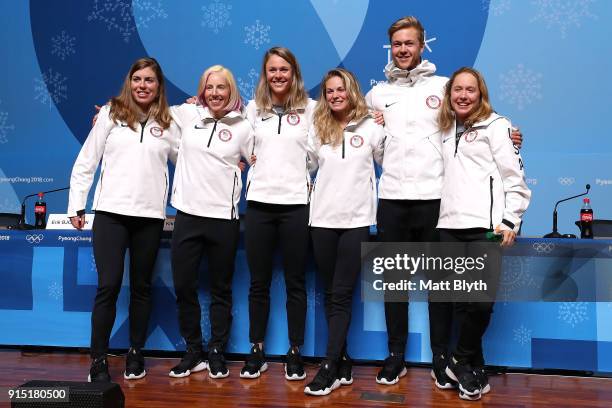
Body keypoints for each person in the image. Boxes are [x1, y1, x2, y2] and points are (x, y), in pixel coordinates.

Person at [365, 16, 523, 386]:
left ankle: (442, 357)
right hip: (392, 198)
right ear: (392, 49)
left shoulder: (444, 87)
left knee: (442, 287)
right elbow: (371, 144)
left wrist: (512, 134)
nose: (403, 50)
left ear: (422, 46)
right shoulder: (377, 95)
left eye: (410, 43)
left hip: (437, 200)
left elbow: (479, 120)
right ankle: (395, 356)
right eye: (397, 45)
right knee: (394, 283)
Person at [67, 57, 179, 382]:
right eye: (137, 79)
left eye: (150, 80)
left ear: (159, 86)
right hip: (111, 215)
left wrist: (230, 162)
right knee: (109, 286)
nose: (143, 85)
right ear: (129, 83)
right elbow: (86, 161)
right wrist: (77, 205)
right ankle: (98, 361)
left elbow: (193, 156)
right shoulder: (109, 114)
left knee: (142, 288)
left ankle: (135, 354)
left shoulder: (170, 123)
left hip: (149, 218)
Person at [435, 67, 531, 401]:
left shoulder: (498, 126)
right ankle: (474, 371)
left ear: (481, 94)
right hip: (449, 227)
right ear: (449, 95)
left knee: (480, 303)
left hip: (486, 230)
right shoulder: (445, 129)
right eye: (457, 89)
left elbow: (514, 178)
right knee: (461, 304)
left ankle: (458, 359)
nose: (463, 95)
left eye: (470, 90)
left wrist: (510, 220)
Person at [168, 65, 253, 379]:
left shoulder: (245, 127)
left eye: (222, 88)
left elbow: (261, 157)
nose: (215, 93)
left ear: (231, 91)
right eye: (210, 87)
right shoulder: (187, 115)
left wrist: (245, 166)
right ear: (201, 91)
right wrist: (110, 112)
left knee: (221, 289)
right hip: (188, 215)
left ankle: (217, 350)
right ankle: (193, 351)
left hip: (223, 219)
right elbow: (146, 109)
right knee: (184, 286)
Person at [302, 69, 384, 396]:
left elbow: (391, 163)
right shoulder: (317, 128)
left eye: (341, 90)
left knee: (341, 293)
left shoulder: (373, 127)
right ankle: (343, 361)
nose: (336, 95)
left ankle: (327, 367)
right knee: (331, 293)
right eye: (330, 91)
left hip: (356, 221)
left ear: (352, 91)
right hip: (322, 220)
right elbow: (303, 166)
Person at [240, 47, 316, 380]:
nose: (278, 75)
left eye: (284, 69)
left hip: (296, 205)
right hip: (259, 205)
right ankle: (256, 349)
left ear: (294, 72)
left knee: (295, 282)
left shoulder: (312, 109)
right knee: (258, 283)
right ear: (265, 74)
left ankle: (295, 351)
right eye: (272, 70)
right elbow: (240, 146)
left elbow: (316, 156)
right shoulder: (253, 109)